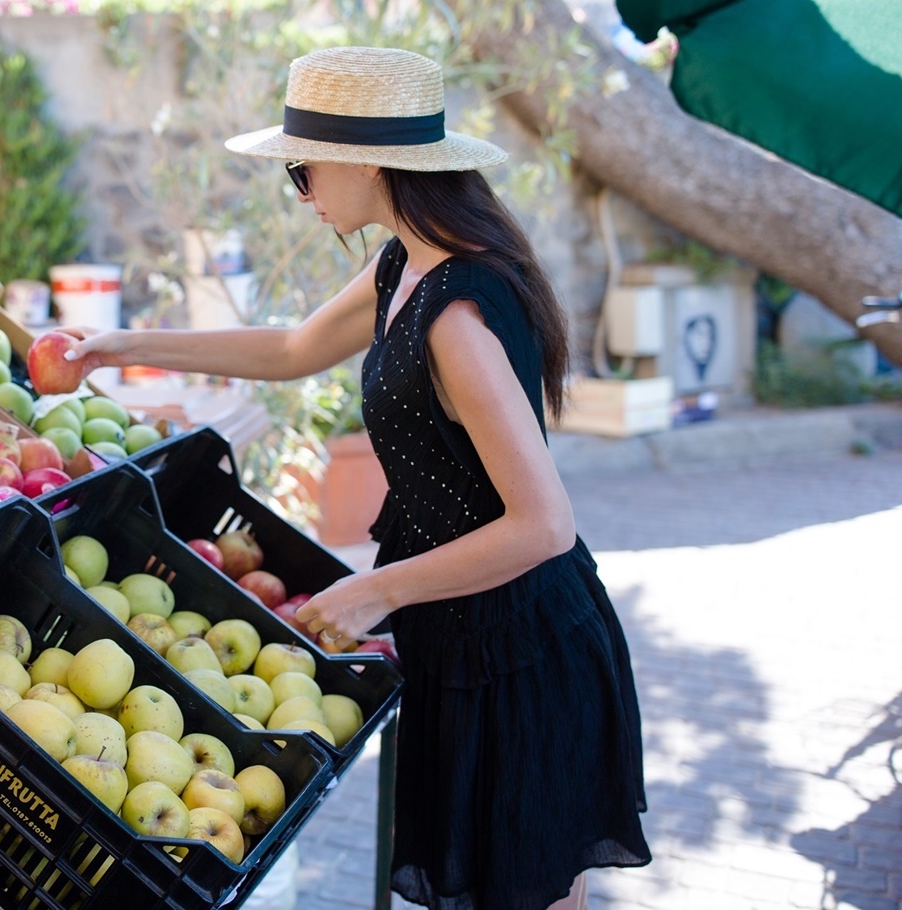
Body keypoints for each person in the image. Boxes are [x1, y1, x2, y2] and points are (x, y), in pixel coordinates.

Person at [62, 47, 651, 910]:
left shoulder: (455, 314)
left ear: (370, 162)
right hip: (462, 634)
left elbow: (542, 525)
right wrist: (125, 347)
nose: (300, 193)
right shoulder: (401, 268)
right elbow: (293, 349)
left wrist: (374, 591)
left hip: (519, 651)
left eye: (302, 169)